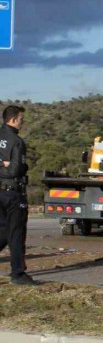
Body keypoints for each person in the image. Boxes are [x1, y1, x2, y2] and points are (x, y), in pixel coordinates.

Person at [0, 105, 36, 285]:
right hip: (13, 193)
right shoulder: (17, 142)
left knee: (3, 231)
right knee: (16, 233)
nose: (23, 123)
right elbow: (15, 170)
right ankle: (18, 273)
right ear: (13, 119)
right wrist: (10, 165)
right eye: (21, 119)